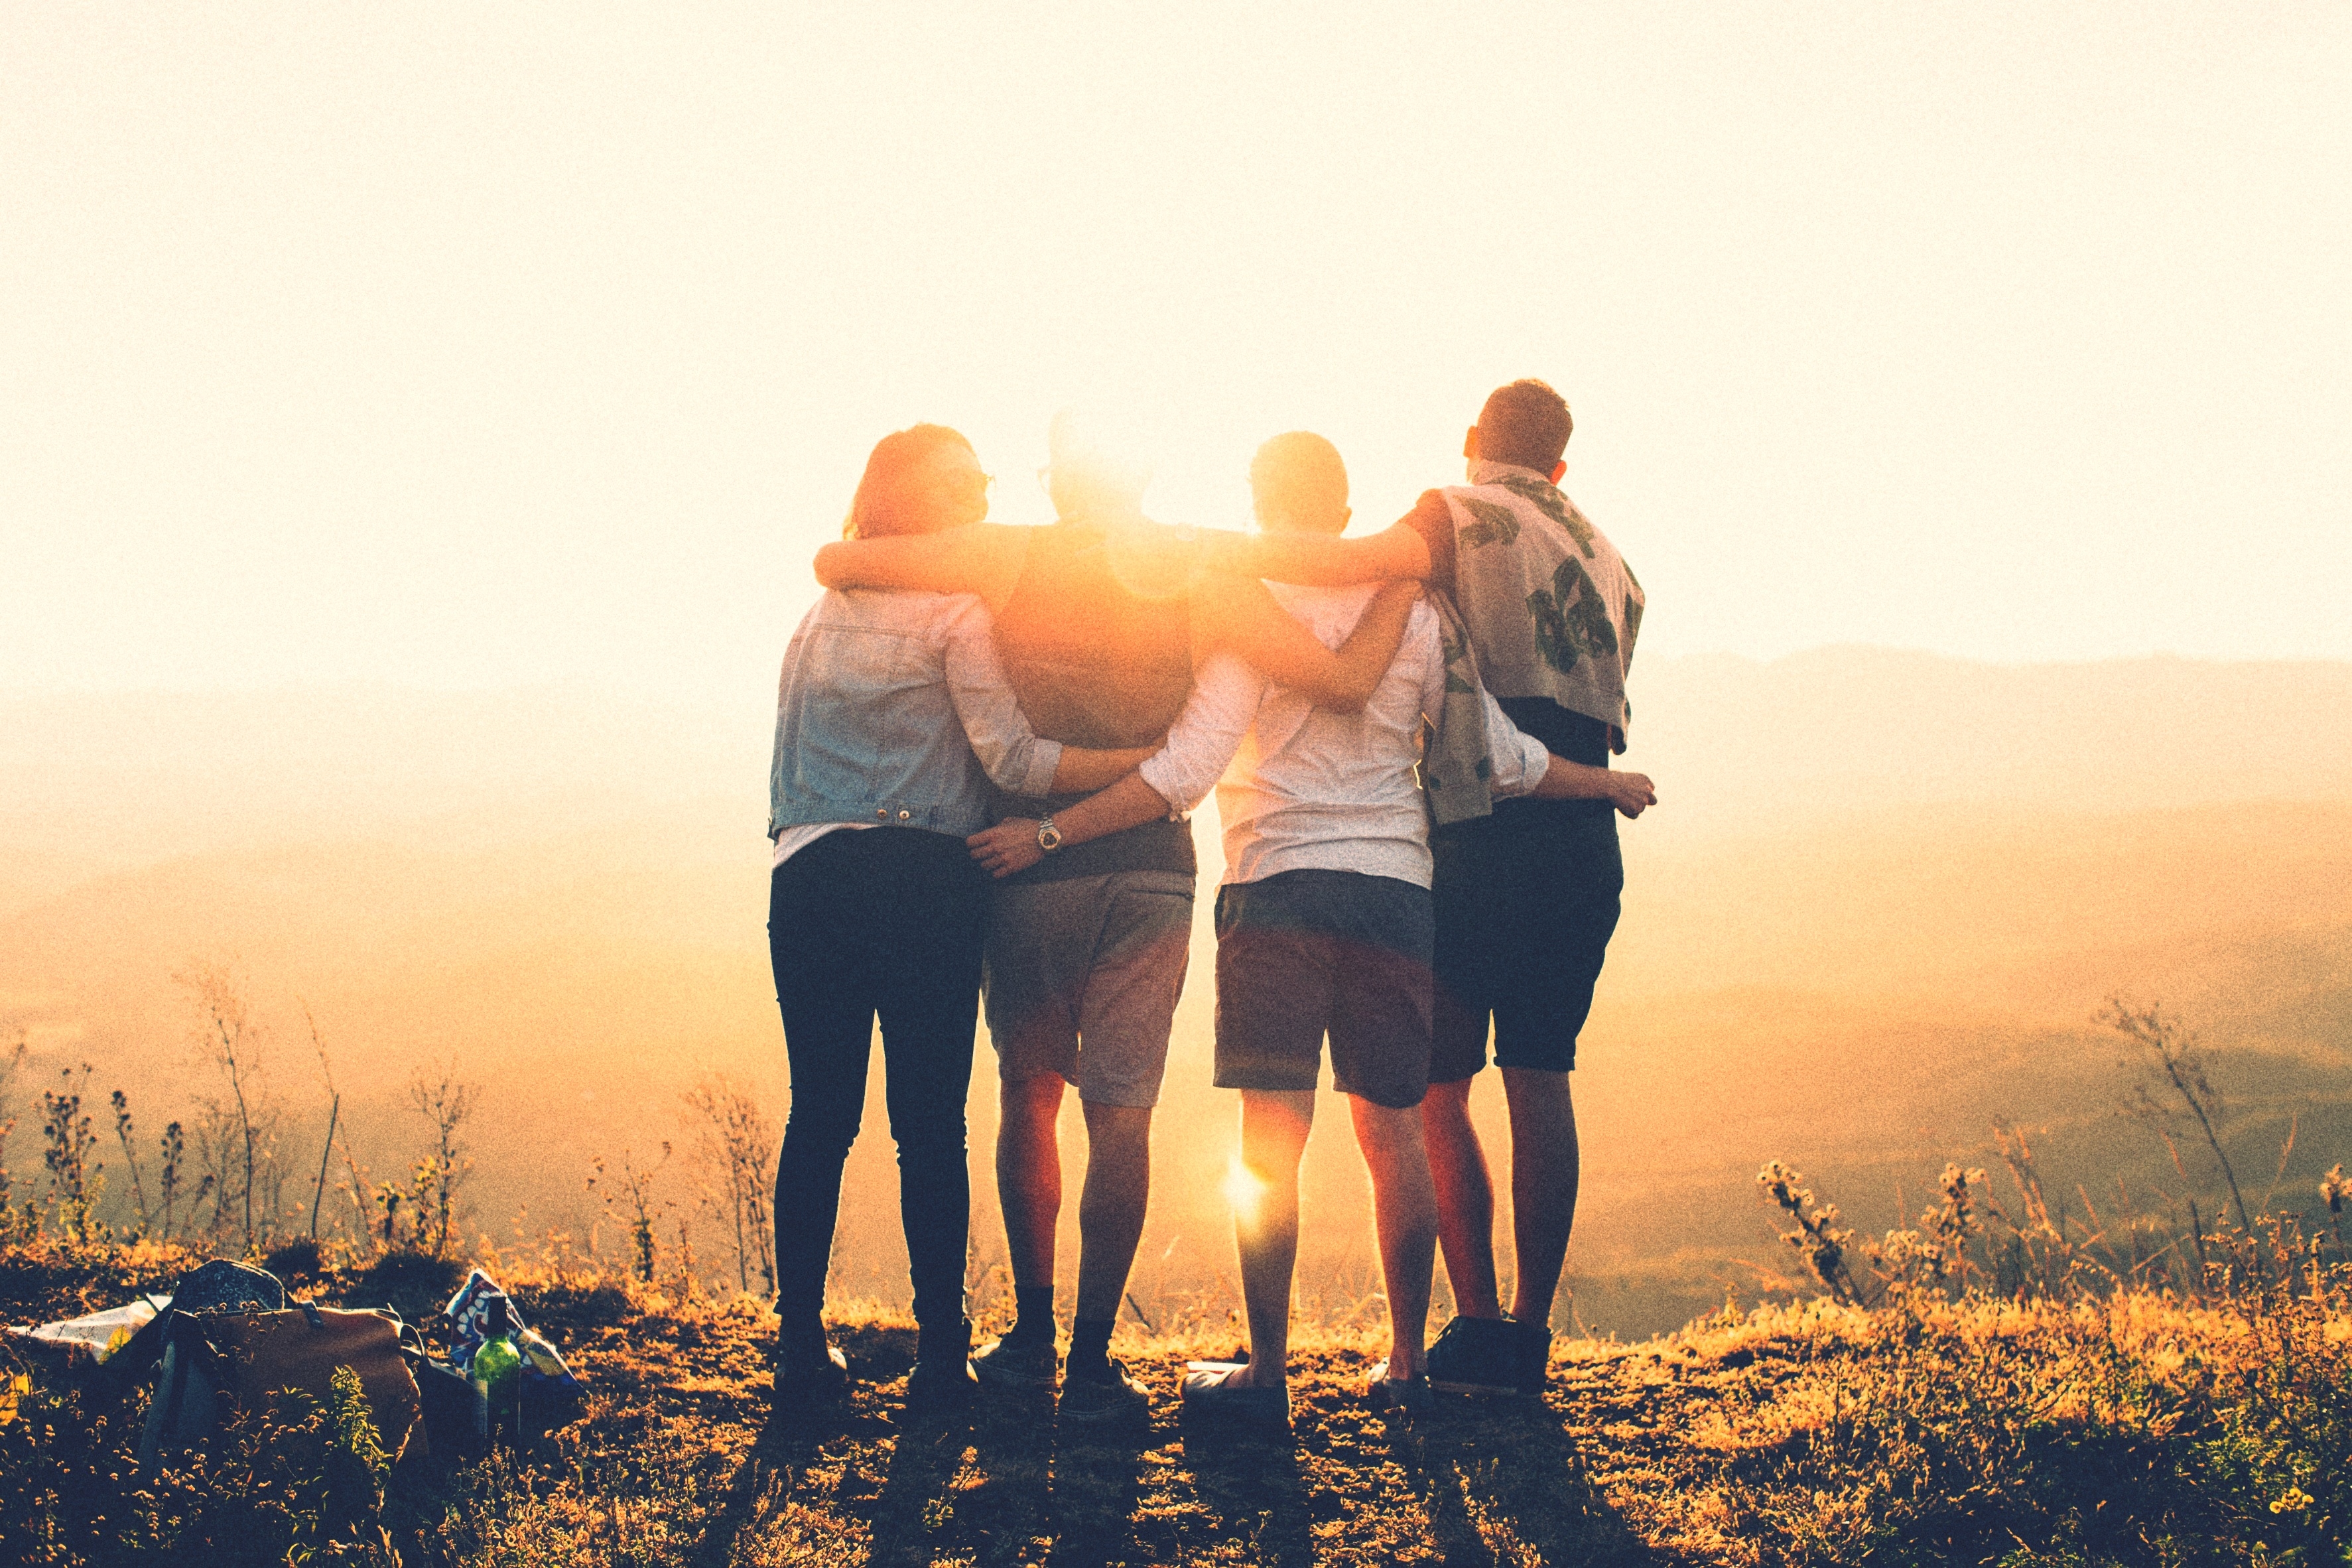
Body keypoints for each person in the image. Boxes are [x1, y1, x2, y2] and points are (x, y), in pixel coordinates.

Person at [968, 432, 1653, 1431]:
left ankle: (1268, 1376)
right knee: (1393, 1133)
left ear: (1257, 503)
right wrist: (1606, 783)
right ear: (1344, 515)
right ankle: (1409, 1365)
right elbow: (1499, 756)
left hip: (1273, 888)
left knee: (1270, 1145)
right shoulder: (1417, 611)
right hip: (1394, 894)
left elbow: (1188, 769)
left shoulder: (1244, 606)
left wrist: (1051, 831)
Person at [813, 412, 1416, 1423]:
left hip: (1025, 864)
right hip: (1151, 871)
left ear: (1057, 485)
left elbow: (840, 561)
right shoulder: (1199, 569)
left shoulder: (1004, 558)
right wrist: (1403, 574)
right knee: (1122, 1113)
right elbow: (1337, 675)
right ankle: (1094, 1358)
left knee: (1029, 1096)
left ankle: (1032, 1335)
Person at [1207, 381, 1650, 1396]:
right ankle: (1525, 1336)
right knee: (1542, 1075)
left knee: (1432, 1091)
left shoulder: (1453, 514)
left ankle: (1471, 1323)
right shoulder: (1614, 561)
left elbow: (1349, 564)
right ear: (1562, 465)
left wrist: (1200, 552)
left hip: (1477, 829)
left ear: (1470, 443)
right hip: (1578, 835)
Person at [765, 424, 1159, 1411]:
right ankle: (942, 1354)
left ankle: (800, 1350)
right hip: (925, 883)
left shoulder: (817, 616)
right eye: (966, 482)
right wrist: (1142, 766)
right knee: (928, 1127)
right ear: (921, 503)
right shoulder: (956, 613)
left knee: (819, 1116)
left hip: (808, 875)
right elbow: (1016, 764)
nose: (984, 493)